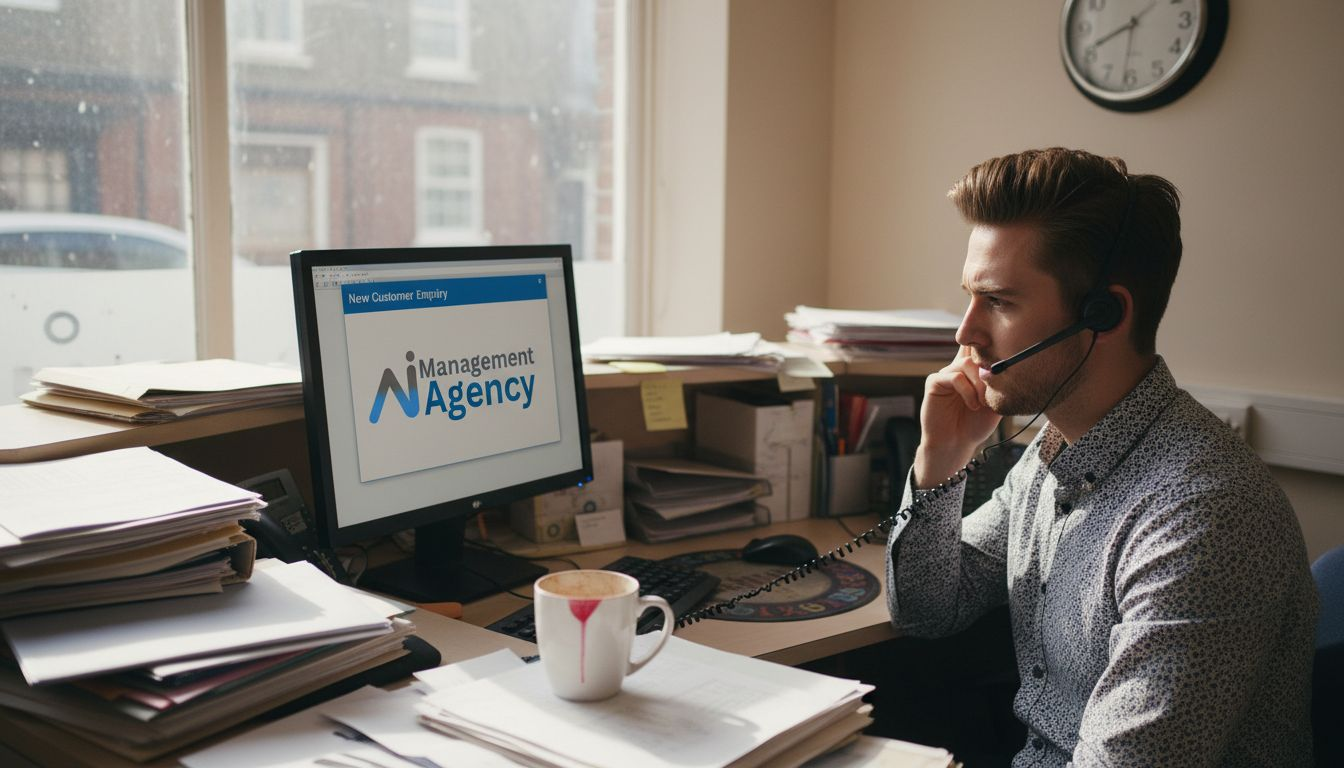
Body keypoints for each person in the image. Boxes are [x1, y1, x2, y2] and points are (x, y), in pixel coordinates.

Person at [886, 148, 1318, 766]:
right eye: (970, 297)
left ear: (1104, 314)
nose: (966, 333)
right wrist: (941, 460)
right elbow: (927, 610)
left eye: (1000, 302)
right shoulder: (1052, 456)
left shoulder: (1205, 516)